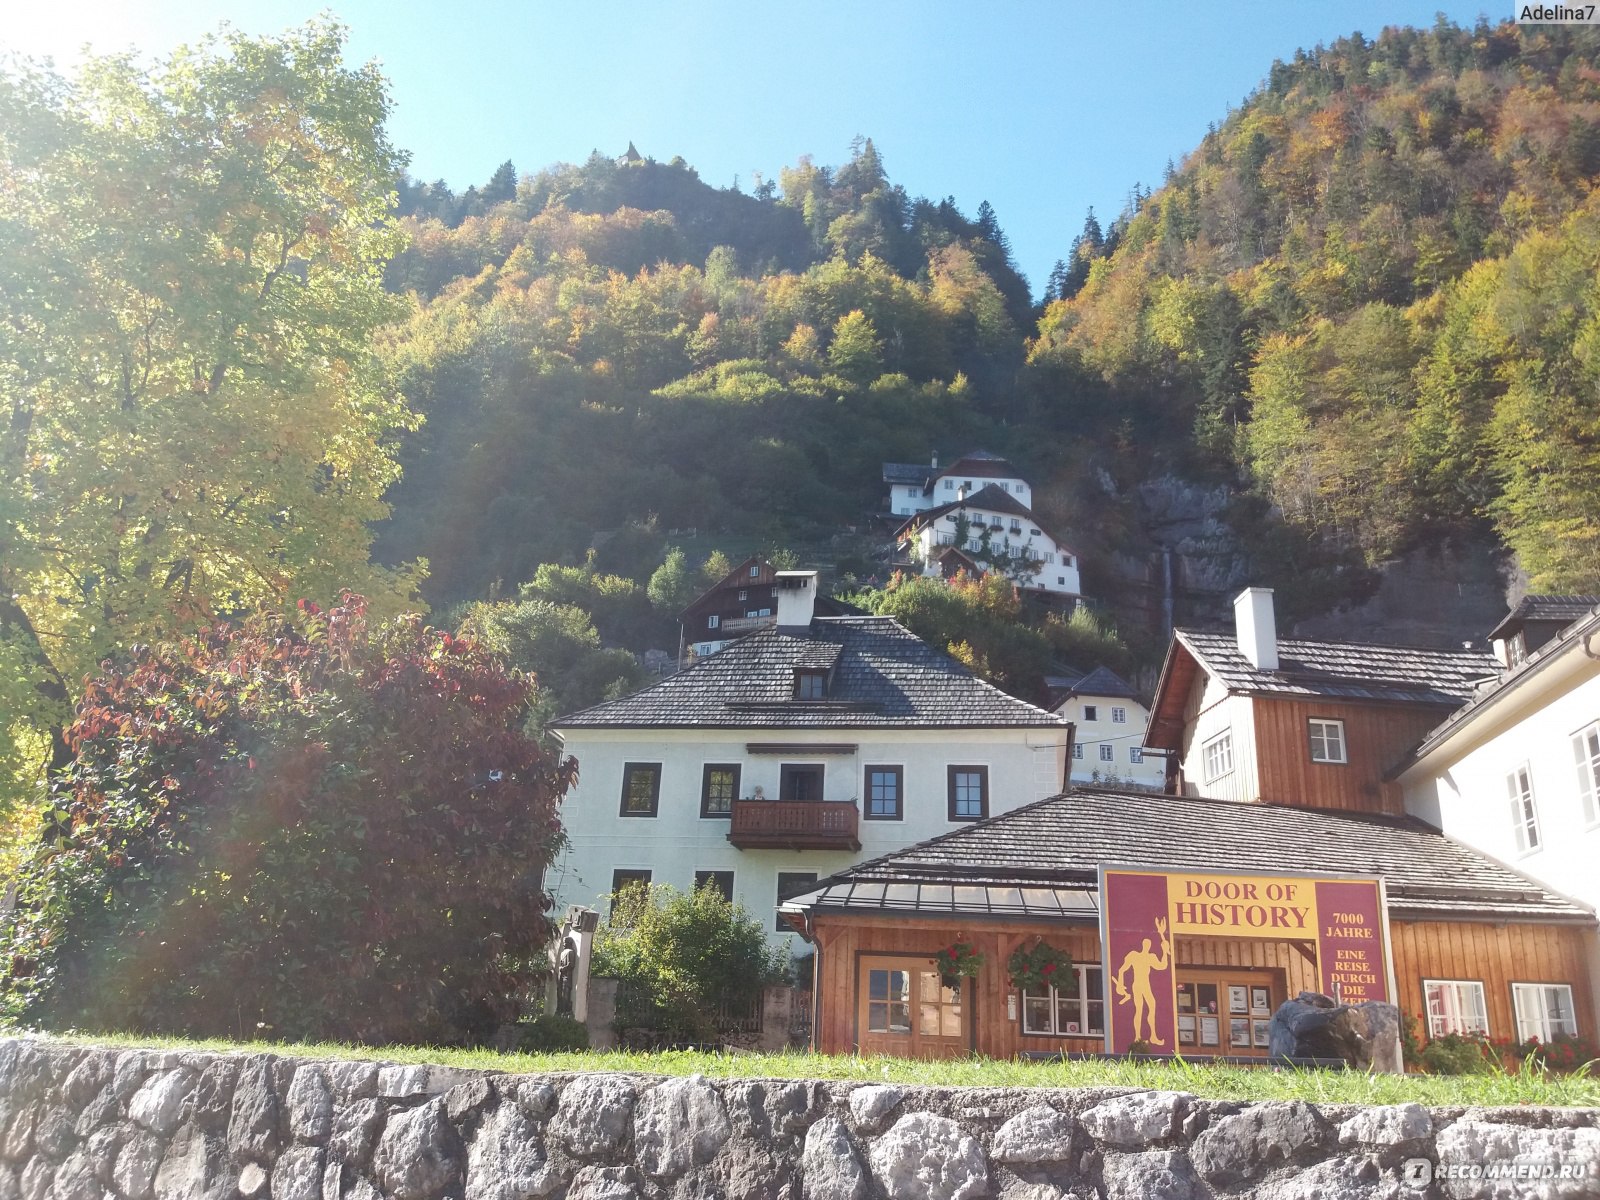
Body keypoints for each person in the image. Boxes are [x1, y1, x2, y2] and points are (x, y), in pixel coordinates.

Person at [1114, 917, 1172, 1047]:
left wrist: (1164, 952)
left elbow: (1162, 965)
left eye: (1149, 944)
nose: (1147, 945)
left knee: (1152, 1006)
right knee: (1139, 1009)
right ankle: (1137, 1037)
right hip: (1137, 985)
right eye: (1145, 944)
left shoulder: (1150, 957)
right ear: (1142, 945)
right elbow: (1122, 969)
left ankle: (1153, 1036)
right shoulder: (1134, 955)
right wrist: (1120, 984)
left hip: (1146, 984)